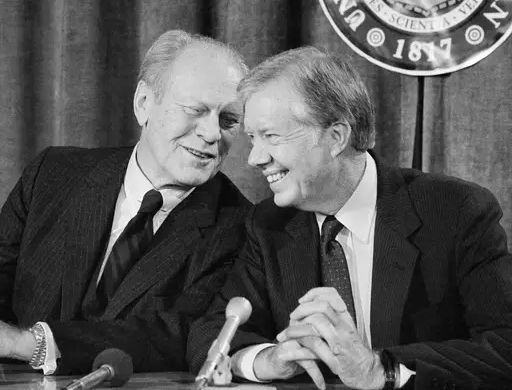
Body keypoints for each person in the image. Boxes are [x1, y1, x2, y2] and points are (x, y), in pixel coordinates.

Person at [0, 29, 252, 376]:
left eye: (229, 120)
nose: (212, 134)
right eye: (195, 110)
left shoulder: (241, 228)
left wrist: (25, 343)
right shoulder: (53, 175)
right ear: (143, 103)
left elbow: (176, 337)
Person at [187, 46, 512, 390]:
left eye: (271, 136)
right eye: (252, 138)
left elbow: (505, 346)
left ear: (336, 137)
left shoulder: (453, 210)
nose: (254, 158)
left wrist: (380, 371)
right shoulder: (269, 224)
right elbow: (210, 331)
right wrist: (268, 359)